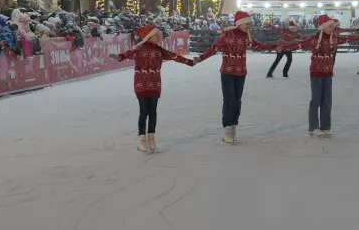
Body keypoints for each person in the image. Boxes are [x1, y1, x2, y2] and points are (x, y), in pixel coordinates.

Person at [193, 10, 277, 144]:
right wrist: (200, 58)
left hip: (240, 72)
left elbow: (257, 46)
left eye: (249, 24)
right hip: (227, 71)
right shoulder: (227, 34)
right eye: (246, 24)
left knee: (237, 100)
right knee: (229, 99)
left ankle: (233, 125)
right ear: (239, 23)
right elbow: (214, 48)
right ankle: (227, 128)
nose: (248, 26)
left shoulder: (246, 36)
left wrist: (274, 47)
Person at [117, 24, 194, 152]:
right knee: (144, 111)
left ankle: (151, 137)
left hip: (155, 84)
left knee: (152, 111)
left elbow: (174, 56)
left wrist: (190, 62)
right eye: (156, 35)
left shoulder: (160, 50)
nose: (159, 37)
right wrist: (120, 56)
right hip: (141, 84)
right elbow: (128, 54)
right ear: (149, 37)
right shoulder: (139, 49)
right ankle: (142, 139)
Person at [281, 14, 357, 136]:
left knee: (327, 100)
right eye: (330, 26)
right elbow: (300, 44)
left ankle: (325, 126)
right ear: (323, 27)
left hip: (328, 72)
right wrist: (283, 48)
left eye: (333, 26)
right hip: (316, 72)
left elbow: (349, 39)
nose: (332, 28)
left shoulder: (334, 39)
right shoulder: (314, 39)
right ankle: (313, 127)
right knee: (316, 99)